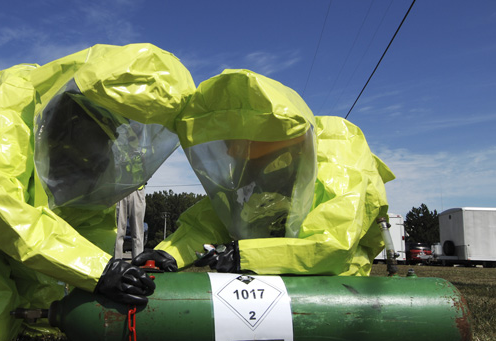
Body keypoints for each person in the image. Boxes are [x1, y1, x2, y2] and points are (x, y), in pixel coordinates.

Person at [0, 43, 195, 341]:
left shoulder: (94, 151)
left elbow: (90, 221)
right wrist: (98, 271)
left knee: (48, 322)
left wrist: (105, 271)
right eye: (106, 127)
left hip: (19, 218)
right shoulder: (3, 121)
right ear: (76, 115)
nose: (114, 141)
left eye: (117, 130)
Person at [134, 69, 394, 276]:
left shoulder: (340, 163)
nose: (247, 170)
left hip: (336, 286)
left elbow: (333, 246)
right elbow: (215, 219)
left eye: (257, 159)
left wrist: (243, 255)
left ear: (290, 147)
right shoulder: (258, 169)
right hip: (263, 274)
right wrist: (169, 253)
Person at [114, 185, 146, 260]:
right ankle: (116, 264)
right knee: (118, 232)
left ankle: (138, 263)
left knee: (137, 233)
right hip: (120, 189)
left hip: (137, 189)